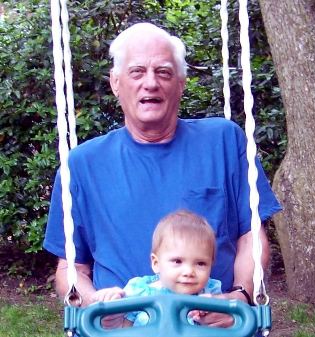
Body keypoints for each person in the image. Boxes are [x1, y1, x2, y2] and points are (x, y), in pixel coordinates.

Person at [44, 22, 282, 327]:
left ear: (181, 83)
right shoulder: (81, 165)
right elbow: (71, 268)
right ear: (116, 83)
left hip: (212, 328)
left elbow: (251, 237)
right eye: (137, 72)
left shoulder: (224, 141)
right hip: (120, 330)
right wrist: (95, 303)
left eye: (164, 72)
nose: (151, 83)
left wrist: (240, 296)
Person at [97, 209, 222, 327]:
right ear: (156, 263)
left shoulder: (210, 292)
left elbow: (225, 328)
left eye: (200, 263)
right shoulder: (139, 292)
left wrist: (210, 311)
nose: (189, 272)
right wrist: (112, 318)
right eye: (177, 261)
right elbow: (125, 329)